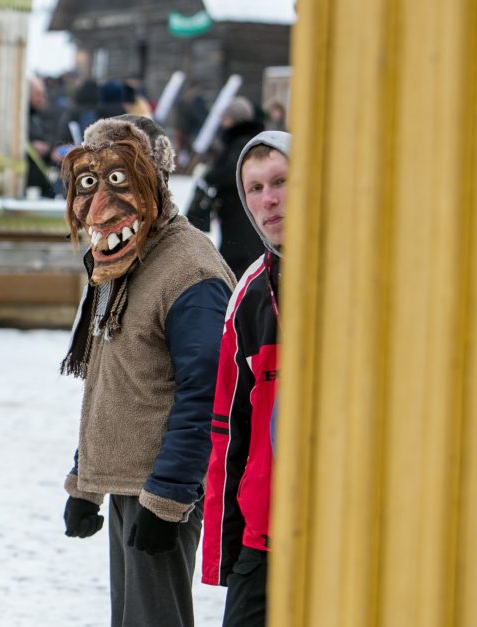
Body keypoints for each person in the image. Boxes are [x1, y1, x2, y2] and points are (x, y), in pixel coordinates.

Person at [59, 114, 235, 626]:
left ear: (153, 178)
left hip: (160, 488)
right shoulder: (123, 260)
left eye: (120, 179)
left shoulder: (189, 271)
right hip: (127, 481)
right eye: (87, 183)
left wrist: (169, 497)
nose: (99, 207)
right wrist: (84, 482)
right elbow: (112, 378)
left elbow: (205, 393)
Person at [202, 131, 290, 627]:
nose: (268, 199)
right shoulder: (250, 295)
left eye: (280, 182)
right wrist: (223, 553)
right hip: (264, 537)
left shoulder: (355, 277)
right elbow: (228, 434)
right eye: (254, 189)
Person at [187, 96, 266, 278]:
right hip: (237, 210)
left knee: (239, 255)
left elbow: (232, 173)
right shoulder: (244, 140)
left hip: (239, 212)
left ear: (235, 119)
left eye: (226, 119)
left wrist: (209, 175)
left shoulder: (240, 142)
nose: (222, 123)